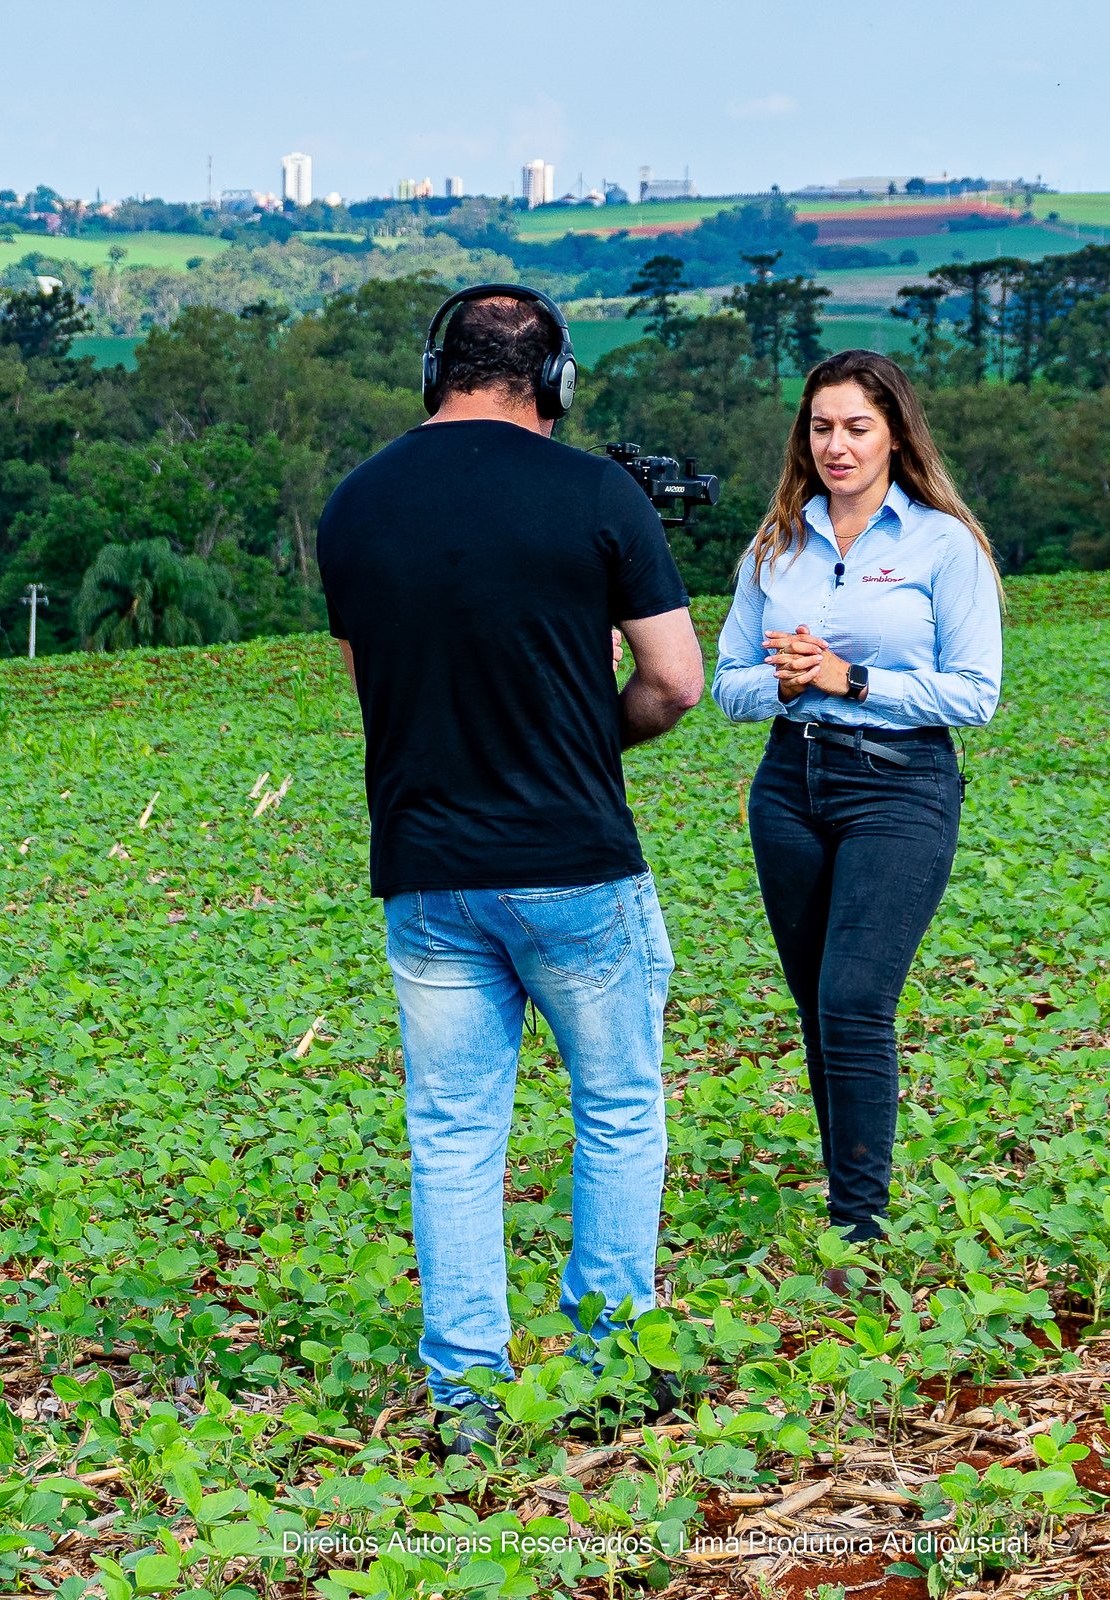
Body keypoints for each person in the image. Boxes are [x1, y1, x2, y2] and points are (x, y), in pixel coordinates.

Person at [317, 284, 705, 1457]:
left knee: (451, 1130)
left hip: (426, 865)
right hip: (574, 862)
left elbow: (369, 682)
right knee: (619, 1105)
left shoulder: (353, 505)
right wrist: (590, 729)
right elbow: (676, 680)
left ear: (434, 366)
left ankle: (465, 1396)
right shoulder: (599, 492)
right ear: (556, 381)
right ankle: (609, 1355)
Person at [711, 349, 1002, 1277]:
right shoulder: (776, 544)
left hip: (899, 786)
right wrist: (785, 682)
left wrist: (851, 678)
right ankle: (850, 1208)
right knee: (816, 1008)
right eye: (821, 427)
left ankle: (859, 1234)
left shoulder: (941, 546)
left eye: (857, 427)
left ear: (895, 434)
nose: (836, 446)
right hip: (790, 785)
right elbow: (726, 685)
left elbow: (974, 694)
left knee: (854, 1000)